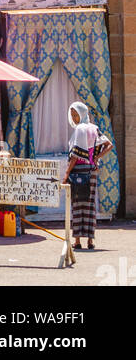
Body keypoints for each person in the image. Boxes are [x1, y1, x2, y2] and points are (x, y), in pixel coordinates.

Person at [62, 100, 112, 250]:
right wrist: (96, 158)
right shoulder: (94, 128)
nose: (74, 118)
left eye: (76, 114)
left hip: (78, 172)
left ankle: (77, 241)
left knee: (77, 206)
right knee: (90, 206)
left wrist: (66, 174)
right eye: (72, 115)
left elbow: (75, 155)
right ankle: (90, 241)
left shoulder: (79, 130)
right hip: (91, 172)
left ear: (82, 114)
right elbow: (108, 145)